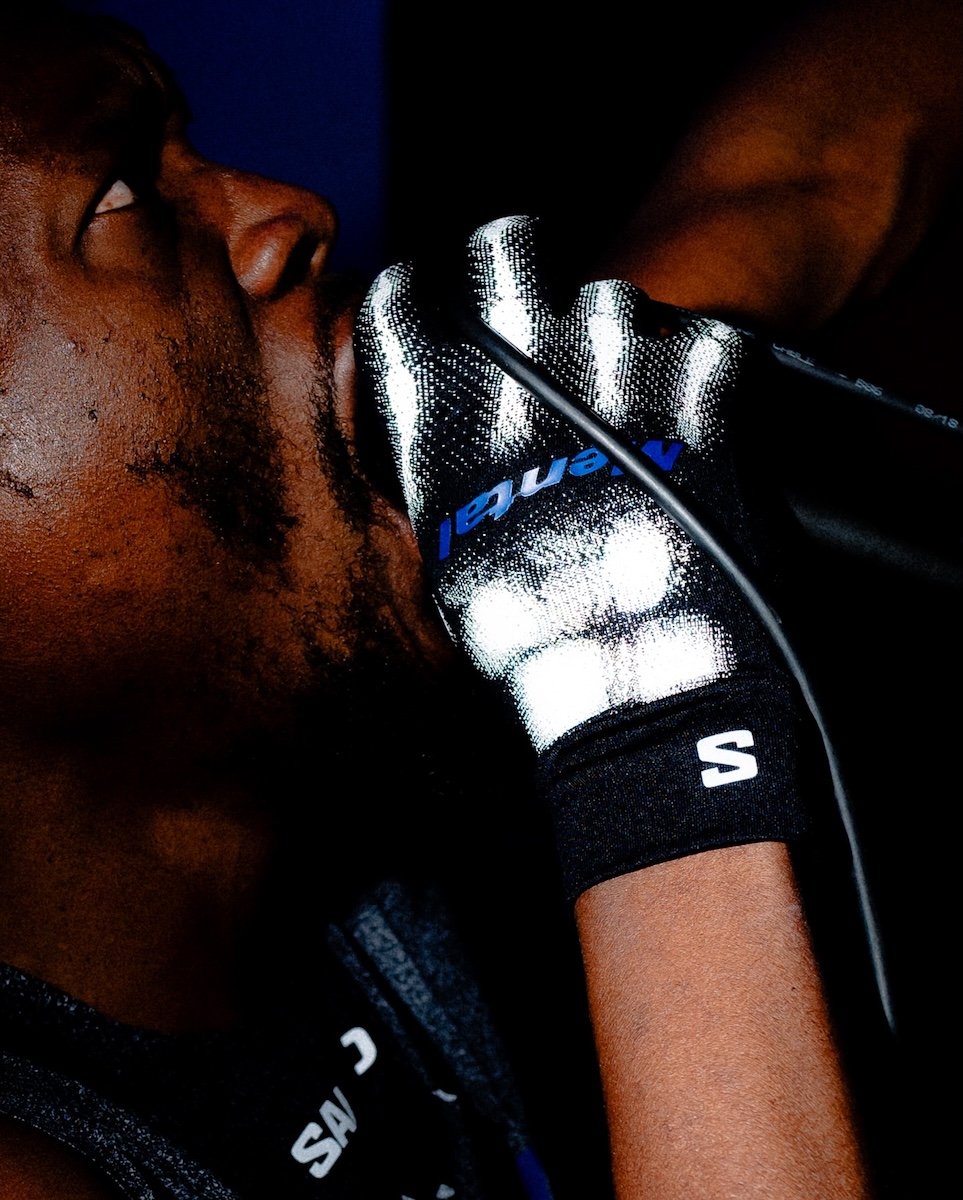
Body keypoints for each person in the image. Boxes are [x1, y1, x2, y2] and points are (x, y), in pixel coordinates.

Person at [0, 1, 958, 1196]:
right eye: (120, 196)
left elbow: (809, 174)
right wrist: (645, 714)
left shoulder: (413, 601)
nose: (291, 215)